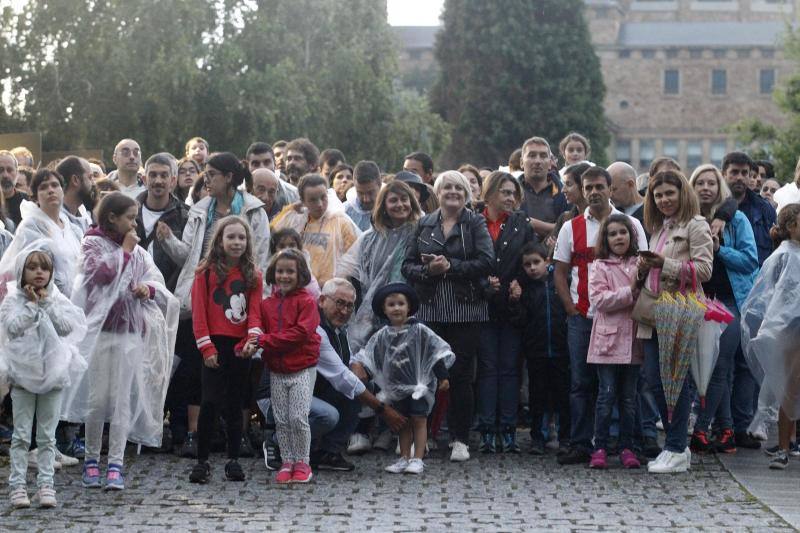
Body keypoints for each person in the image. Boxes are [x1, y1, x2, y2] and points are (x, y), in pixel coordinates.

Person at [61, 192, 179, 491]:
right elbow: (100, 276)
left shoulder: (138, 249)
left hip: (130, 333)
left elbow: (155, 279)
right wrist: (125, 252)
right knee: (98, 399)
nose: (135, 221)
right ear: (112, 217)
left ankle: (115, 463)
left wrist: (147, 290)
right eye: (129, 216)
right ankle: (91, 460)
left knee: (122, 399)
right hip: (101, 334)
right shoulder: (92, 243)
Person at [553, 167, 648, 465]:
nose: (594, 192)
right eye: (588, 187)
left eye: (599, 186)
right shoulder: (571, 226)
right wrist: (570, 307)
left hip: (624, 319)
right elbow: (559, 270)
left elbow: (643, 266)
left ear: (610, 188)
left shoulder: (631, 224)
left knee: (625, 386)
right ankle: (582, 443)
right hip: (583, 316)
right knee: (581, 383)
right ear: (582, 190)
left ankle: (625, 443)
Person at [402, 170, 494, 462]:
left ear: (466, 194)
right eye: (447, 188)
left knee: (461, 376)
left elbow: (486, 261)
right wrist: (429, 271)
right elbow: (407, 266)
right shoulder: (424, 224)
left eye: (459, 187)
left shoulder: (475, 222)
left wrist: (450, 266)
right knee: (425, 374)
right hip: (430, 309)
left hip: (465, 310)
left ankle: (460, 439)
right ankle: (422, 435)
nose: (452, 192)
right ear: (437, 193)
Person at [637, 169, 713, 473]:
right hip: (654, 312)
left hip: (679, 312)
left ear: (682, 193)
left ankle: (676, 446)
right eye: (658, 195)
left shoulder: (696, 225)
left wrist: (664, 264)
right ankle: (676, 443)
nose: (665, 199)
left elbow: (705, 269)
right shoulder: (658, 228)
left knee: (674, 382)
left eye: (670, 193)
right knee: (655, 381)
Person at [0, 249, 87, 508]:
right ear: (21, 270)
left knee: (48, 436)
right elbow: (12, 328)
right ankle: (17, 487)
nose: (39, 272)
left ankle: (46, 486)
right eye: (33, 267)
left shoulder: (56, 299)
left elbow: (65, 327)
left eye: (45, 268)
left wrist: (46, 303)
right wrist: (31, 306)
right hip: (23, 376)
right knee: (22, 435)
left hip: (53, 374)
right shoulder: (12, 300)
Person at [188, 216, 263, 484]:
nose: (236, 242)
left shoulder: (253, 275)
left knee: (235, 404)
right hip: (213, 344)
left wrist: (250, 342)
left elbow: (255, 315)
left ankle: (233, 459)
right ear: (219, 240)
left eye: (241, 237)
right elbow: (199, 315)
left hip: (240, 347)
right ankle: (202, 460)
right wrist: (206, 347)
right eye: (230, 237)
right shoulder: (204, 273)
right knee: (209, 402)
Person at [689, 165, 758, 455]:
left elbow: (749, 261)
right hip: (697, 301)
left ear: (720, 188)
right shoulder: (688, 220)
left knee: (718, 365)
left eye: (711, 183)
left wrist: (720, 250)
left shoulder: (736, 219)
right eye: (700, 183)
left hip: (729, 301)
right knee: (710, 368)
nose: (706, 188)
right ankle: (727, 430)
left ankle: (701, 429)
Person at [353, 283, 453, 475]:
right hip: (396, 388)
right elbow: (373, 356)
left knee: (419, 420)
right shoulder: (382, 335)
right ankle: (404, 457)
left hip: (418, 386)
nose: (396, 308)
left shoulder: (420, 330)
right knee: (403, 423)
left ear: (409, 307)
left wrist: (442, 377)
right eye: (391, 304)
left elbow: (434, 352)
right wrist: (365, 370)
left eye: (401, 303)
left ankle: (418, 458)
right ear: (384, 309)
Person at [160, 152, 271, 318]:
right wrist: (168, 240)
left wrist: (258, 303)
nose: (206, 180)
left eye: (211, 175)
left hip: (240, 297)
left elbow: (261, 260)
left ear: (228, 177)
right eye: (205, 175)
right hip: (203, 295)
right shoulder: (199, 211)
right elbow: (188, 259)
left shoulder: (254, 212)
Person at [135, 153, 195, 455]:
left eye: (164, 175)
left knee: (175, 370)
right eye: (153, 174)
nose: (158, 180)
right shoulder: (128, 210)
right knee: (139, 369)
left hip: (172, 307)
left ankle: (178, 429)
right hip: (135, 307)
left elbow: (190, 262)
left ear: (174, 179)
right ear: (144, 177)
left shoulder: (186, 216)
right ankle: (139, 430)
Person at [473, 171, 536, 453]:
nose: (510, 198)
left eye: (514, 193)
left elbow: (531, 258)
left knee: (510, 369)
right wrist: (483, 282)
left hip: (512, 307)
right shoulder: (474, 221)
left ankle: (508, 429)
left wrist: (519, 284)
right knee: (487, 369)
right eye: (505, 192)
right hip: (481, 306)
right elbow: (465, 258)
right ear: (489, 194)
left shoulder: (521, 223)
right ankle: (487, 428)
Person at [247, 249, 320, 484]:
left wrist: (264, 341)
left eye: (290, 271)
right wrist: (245, 345)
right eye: (280, 271)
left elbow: (300, 333)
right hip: (277, 370)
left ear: (301, 274)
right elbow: (258, 331)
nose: (284, 276)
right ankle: (287, 460)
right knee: (281, 419)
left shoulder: (307, 302)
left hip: (302, 369)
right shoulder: (267, 304)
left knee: (298, 417)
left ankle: (303, 462)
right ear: (273, 273)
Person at [721, 152, 775, 449]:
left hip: (758, 294)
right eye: (734, 172)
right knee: (722, 364)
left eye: (745, 172)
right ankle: (724, 424)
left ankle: (742, 424)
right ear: (725, 173)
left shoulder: (764, 209)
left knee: (747, 363)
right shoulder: (717, 208)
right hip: (725, 291)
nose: (740, 177)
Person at [741, 204, 800, 470]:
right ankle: (785, 445)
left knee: (791, 386)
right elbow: (771, 294)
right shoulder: (784, 256)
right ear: (790, 227)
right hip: (790, 329)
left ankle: (790, 441)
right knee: (788, 386)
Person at [337, 180, 423, 353]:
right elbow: (348, 270)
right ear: (383, 205)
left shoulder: (422, 231)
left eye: (404, 199)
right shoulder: (371, 237)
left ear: (411, 202)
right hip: (375, 311)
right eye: (393, 200)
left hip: (411, 311)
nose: (400, 204)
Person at [587, 214, 644, 470]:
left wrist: (635, 292)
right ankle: (599, 445)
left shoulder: (640, 263)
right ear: (605, 239)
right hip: (607, 342)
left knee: (629, 398)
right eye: (613, 234)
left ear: (631, 235)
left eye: (623, 232)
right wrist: (629, 293)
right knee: (606, 395)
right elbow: (599, 299)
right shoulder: (599, 266)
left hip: (632, 339)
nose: (618, 237)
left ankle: (627, 446)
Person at [509, 242, 569, 455]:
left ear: (548, 261)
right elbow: (520, 320)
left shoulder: (560, 282)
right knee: (537, 395)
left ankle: (565, 437)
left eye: (536, 262)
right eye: (527, 264)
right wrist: (515, 302)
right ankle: (538, 437)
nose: (532, 268)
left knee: (563, 394)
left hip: (562, 348)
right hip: (536, 350)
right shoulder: (525, 289)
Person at [0, 169, 83, 299]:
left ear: (63, 190)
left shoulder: (74, 229)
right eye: (43, 187)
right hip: (44, 302)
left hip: (76, 304)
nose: (51, 190)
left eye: (55, 185)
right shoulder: (31, 227)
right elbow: (25, 271)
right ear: (35, 196)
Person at [271, 173, 360, 287]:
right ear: (303, 201)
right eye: (312, 200)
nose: (319, 204)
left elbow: (354, 256)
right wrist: (291, 208)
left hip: (330, 291)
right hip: (300, 288)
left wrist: (334, 282)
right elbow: (273, 230)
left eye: (323, 197)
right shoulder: (299, 220)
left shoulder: (341, 222)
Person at [520, 137, 569, 239]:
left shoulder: (565, 194)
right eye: (532, 155)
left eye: (543, 156)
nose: (537, 161)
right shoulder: (511, 193)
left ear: (550, 163)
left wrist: (533, 224)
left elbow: (570, 229)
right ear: (521, 162)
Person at [547, 162, 591, 250]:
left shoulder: (604, 219)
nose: (563, 190)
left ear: (584, 186)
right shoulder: (565, 218)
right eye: (563, 185)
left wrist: (562, 248)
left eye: (569, 184)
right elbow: (547, 248)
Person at [246, 142, 299, 209]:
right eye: (256, 164)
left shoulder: (293, 194)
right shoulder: (238, 195)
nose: (262, 167)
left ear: (275, 164)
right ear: (247, 167)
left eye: (267, 162)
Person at [54, 156, 95, 235]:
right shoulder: (56, 219)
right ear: (75, 180)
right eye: (90, 177)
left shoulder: (83, 214)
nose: (94, 183)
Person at [344, 161, 382, 231]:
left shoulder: (392, 209)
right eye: (360, 193)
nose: (366, 199)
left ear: (380, 184)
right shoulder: (345, 212)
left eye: (370, 193)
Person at [0, 149, 29, 228]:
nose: (5, 175)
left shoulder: (26, 201)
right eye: (1, 170)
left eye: (9, 170)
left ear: (17, 173)